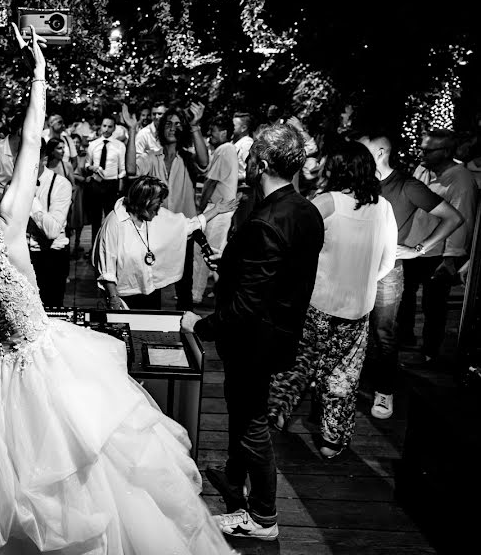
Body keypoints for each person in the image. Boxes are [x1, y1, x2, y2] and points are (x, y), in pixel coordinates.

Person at [0, 27, 234, 555]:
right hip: (41, 369)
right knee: (83, 478)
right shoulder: (5, 228)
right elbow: (32, 143)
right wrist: (38, 74)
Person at [182, 123, 324, 540]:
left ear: (260, 163)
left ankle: (262, 517)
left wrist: (200, 324)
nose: (244, 165)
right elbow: (278, 277)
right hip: (280, 332)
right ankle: (234, 477)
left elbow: (246, 307)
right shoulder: (305, 210)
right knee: (244, 409)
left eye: (248, 159)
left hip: (255, 341)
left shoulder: (267, 220)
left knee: (251, 422)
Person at [267, 141, 397, 458]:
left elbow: (292, 251)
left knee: (296, 365)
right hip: (358, 310)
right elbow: (387, 263)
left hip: (316, 304)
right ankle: (330, 442)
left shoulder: (325, 203)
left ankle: (275, 417)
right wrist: (361, 282)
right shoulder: (384, 207)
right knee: (343, 377)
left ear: (336, 169)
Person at [358, 132, 462, 419]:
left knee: (384, 333)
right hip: (354, 266)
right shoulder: (359, 181)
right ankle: (351, 383)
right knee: (353, 327)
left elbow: (454, 217)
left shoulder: (406, 185)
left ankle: (384, 391)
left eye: (362, 149)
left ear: (379, 152)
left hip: (388, 270)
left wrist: (418, 248)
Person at [397, 130, 477, 370]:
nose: (422, 153)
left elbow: (462, 219)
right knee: (405, 295)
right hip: (413, 246)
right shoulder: (422, 170)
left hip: (437, 253)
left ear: (446, 152)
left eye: (428, 150)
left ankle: (429, 352)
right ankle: (405, 339)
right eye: (422, 148)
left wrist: (451, 259)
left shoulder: (460, 179)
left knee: (434, 306)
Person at [95, 176, 236, 310]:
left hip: (151, 291)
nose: (158, 211)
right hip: (123, 297)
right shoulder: (114, 223)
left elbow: (185, 226)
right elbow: (107, 268)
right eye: (156, 205)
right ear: (144, 202)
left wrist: (216, 210)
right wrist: (113, 298)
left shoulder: (155, 215)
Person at [123, 103, 209, 309]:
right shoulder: (153, 158)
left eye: (178, 124)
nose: (172, 127)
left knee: (184, 286)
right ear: (161, 129)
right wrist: (132, 130)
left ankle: (185, 332)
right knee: (153, 283)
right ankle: (151, 332)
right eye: (168, 123)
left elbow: (205, 163)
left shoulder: (188, 159)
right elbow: (131, 170)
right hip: (156, 231)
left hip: (183, 231)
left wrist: (195, 125)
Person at [192, 118, 239, 303]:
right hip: (222, 208)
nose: (210, 135)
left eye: (213, 131)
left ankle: (196, 294)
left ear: (224, 133)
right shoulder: (227, 150)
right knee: (211, 252)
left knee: (205, 252)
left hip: (217, 208)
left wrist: (202, 208)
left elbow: (211, 182)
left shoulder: (224, 149)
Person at [29, 140, 73, 307]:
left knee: (51, 314)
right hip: (24, 258)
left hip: (51, 259)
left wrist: (31, 198)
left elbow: (52, 231)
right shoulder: (13, 184)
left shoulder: (61, 185)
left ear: (43, 159)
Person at [85, 115, 126, 244]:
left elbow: (123, 169)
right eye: (104, 126)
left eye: (110, 126)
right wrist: (92, 168)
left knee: (111, 217)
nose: (106, 129)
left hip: (111, 184)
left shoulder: (119, 146)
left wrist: (118, 182)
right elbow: (87, 164)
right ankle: (94, 247)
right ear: (100, 127)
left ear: (114, 128)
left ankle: (109, 245)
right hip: (96, 183)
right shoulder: (93, 145)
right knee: (95, 219)